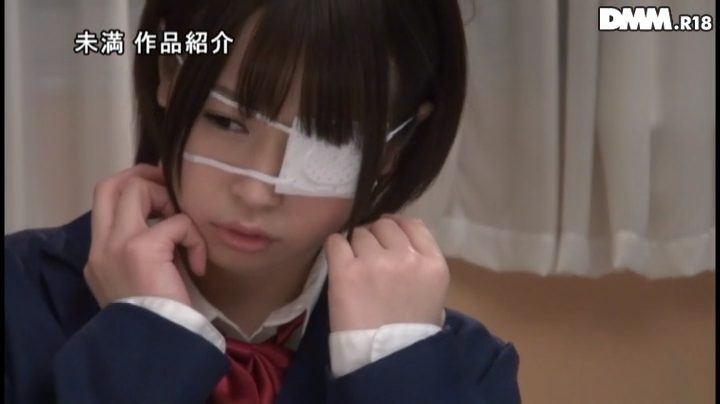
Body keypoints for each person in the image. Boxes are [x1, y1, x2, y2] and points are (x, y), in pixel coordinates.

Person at [5, 0, 521, 402]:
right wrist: (143, 341)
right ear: (168, 75)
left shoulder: (461, 370)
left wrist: (392, 372)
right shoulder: (17, 301)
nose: (256, 190)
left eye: (328, 142)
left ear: (397, 145)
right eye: (225, 121)